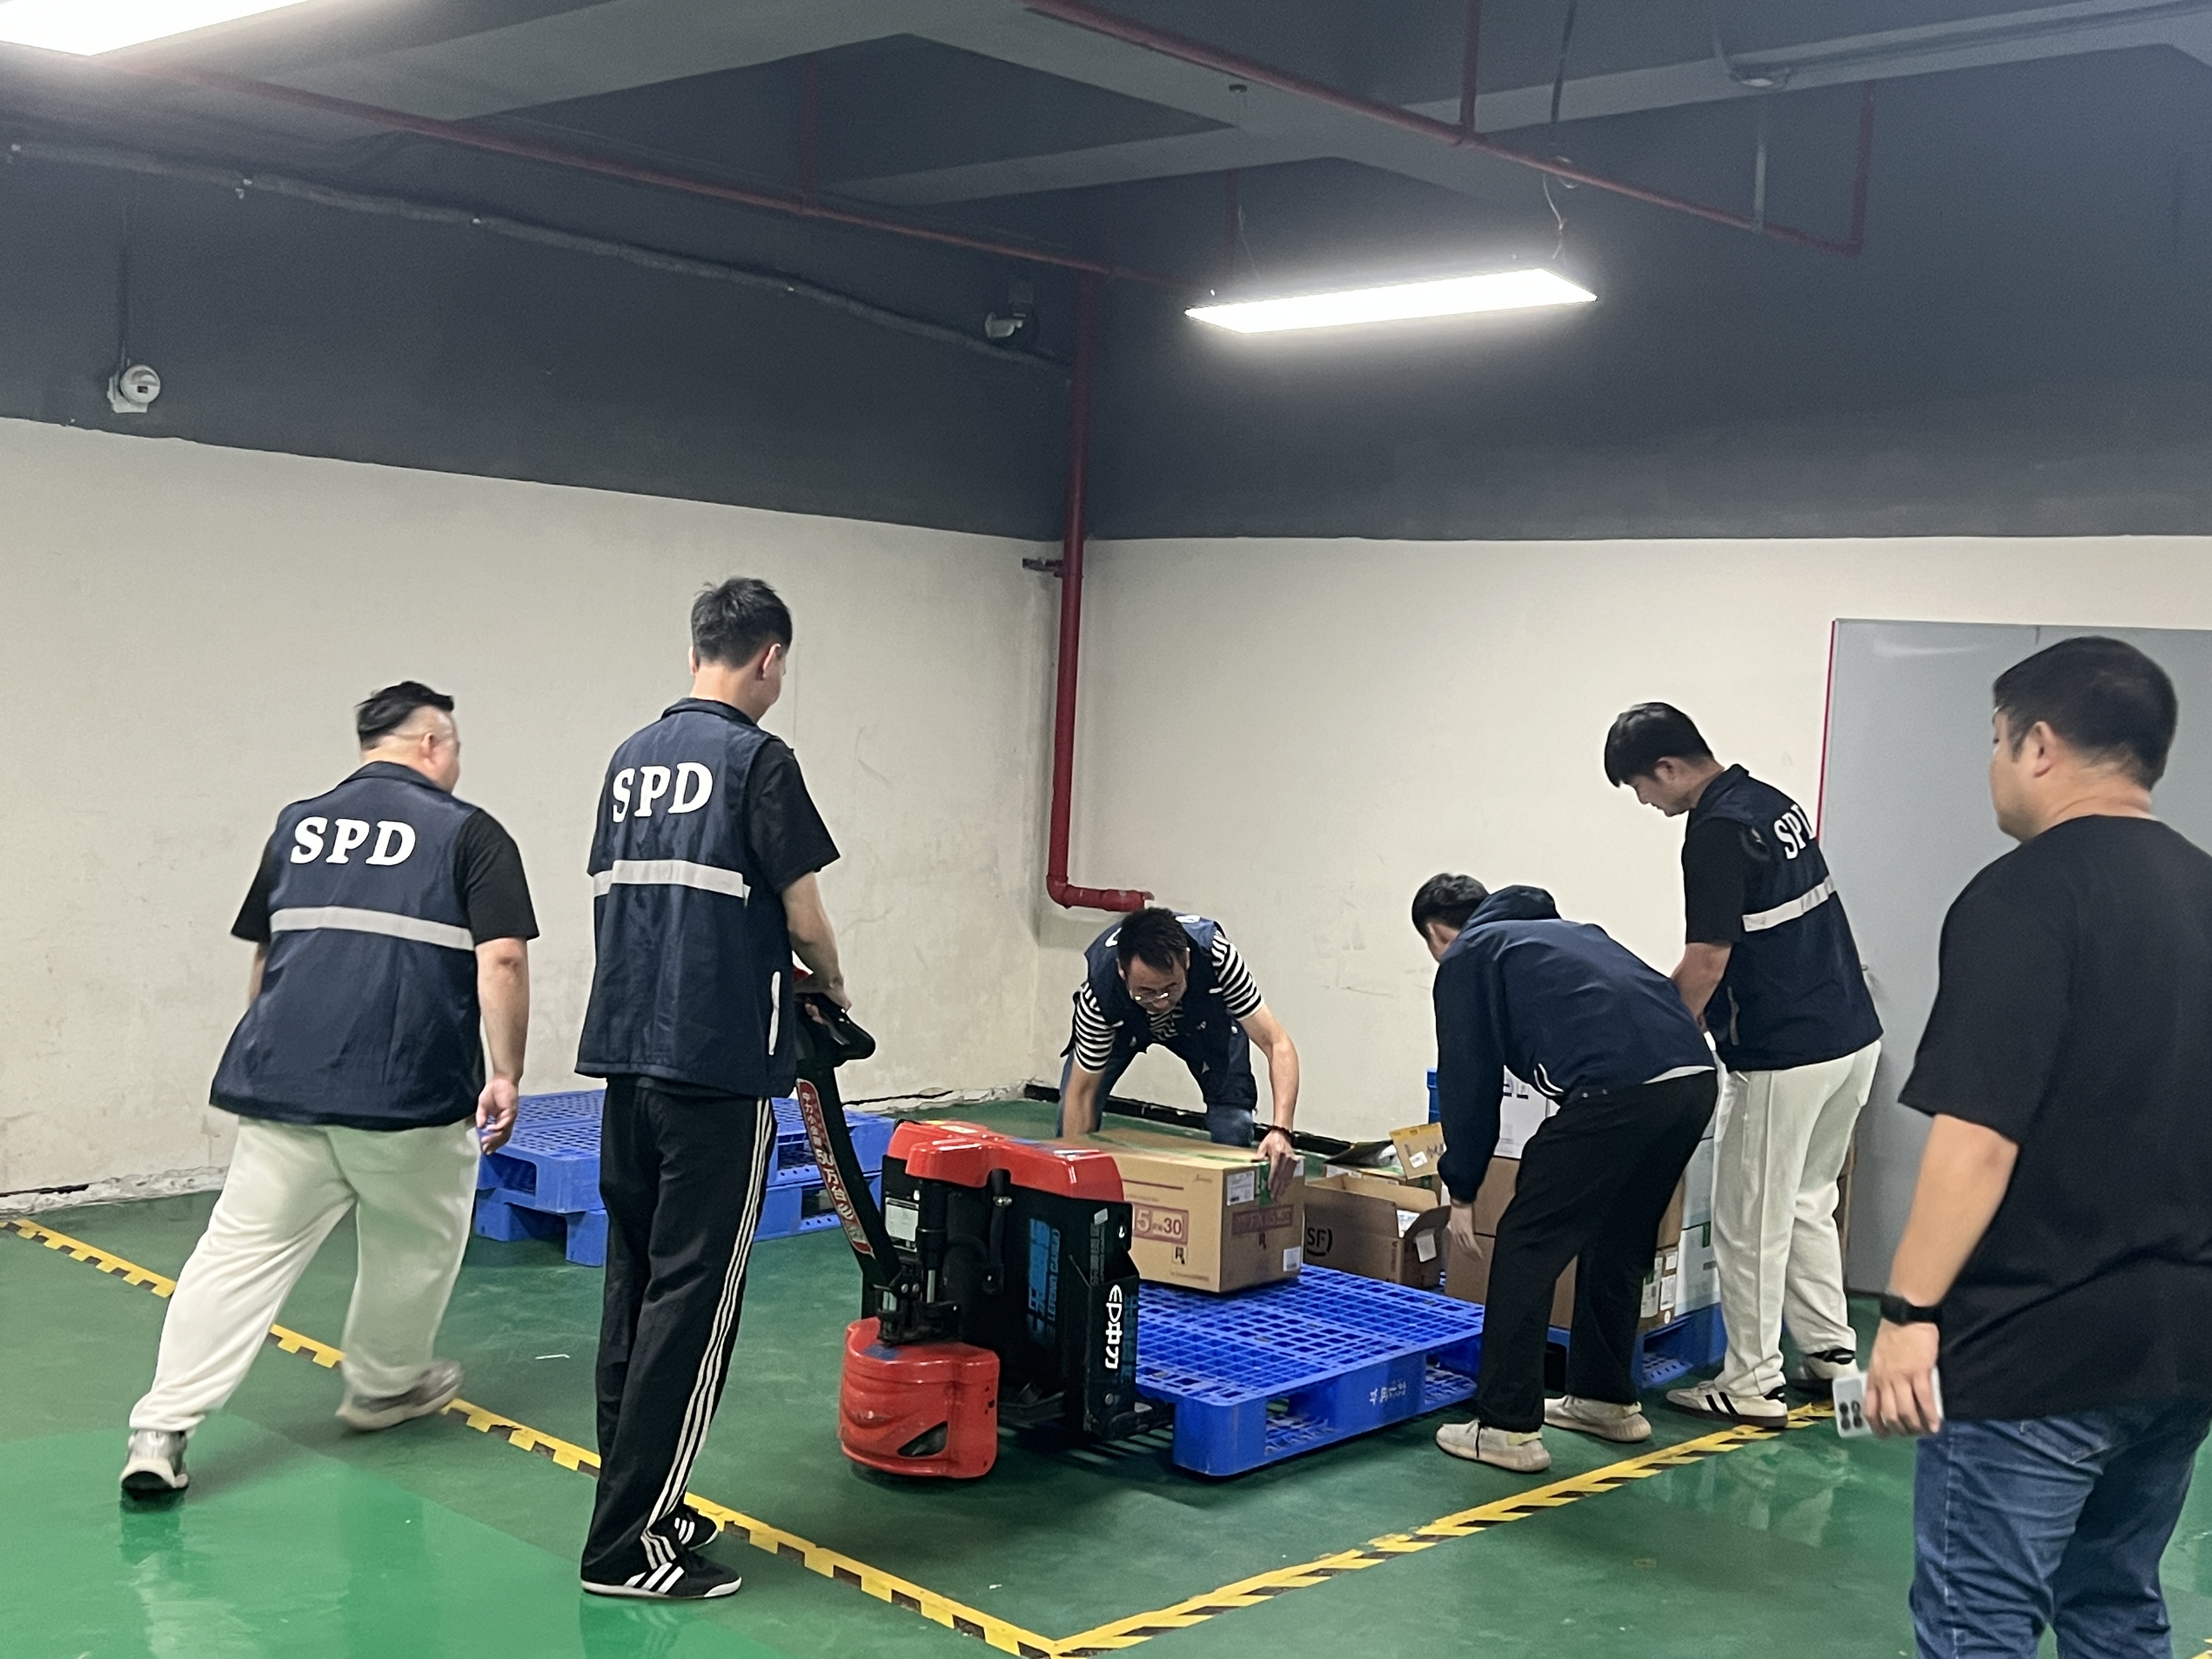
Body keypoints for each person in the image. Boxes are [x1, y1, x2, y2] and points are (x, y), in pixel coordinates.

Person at [1865, 636, 2212, 1659]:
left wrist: (1907, 1315)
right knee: (2114, 1604)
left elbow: (1977, 1138)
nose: (1992, 765)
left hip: (2034, 1346)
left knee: (1979, 1624)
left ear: (2040, 745)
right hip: (2181, 1342)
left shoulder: (2022, 896)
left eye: (1995, 740)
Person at [121, 682, 535, 1497]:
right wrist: (506, 1072)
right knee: (415, 1242)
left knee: (237, 1254)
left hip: (284, 1089)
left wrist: (272, 1057)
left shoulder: (297, 825)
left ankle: (160, 1430)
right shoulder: (470, 833)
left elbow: (266, 955)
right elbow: (505, 958)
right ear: (431, 744)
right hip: (407, 1095)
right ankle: (383, 1387)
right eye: (454, 746)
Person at [574, 577, 847, 1601]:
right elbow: (804, 914)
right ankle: (627, 1546)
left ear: (697, 650)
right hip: (715, 1066)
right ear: (769, 658)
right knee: (693, 1303)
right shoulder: (759, 760)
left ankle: (640, 1501)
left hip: (625, 1058)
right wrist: (833, 983)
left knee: (637, 1288)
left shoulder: (629, 760)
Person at [1604, 703, 1883, 1426]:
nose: (1645, 803)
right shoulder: (1770, 803)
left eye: (1641, 788)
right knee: (1808, 1199)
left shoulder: (1716, 831)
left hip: (1785, 1052)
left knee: (1749, 1220)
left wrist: (1658, 1038)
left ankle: (1752, 1383)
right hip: (1851, 1038)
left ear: (1668, 768)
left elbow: (1706, 961)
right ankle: (1831, 1358)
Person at [1415, 874, 1716, 1474]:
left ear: (1438, 935)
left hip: (1616, 1092)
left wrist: (1463, 1189)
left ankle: (1505, 1427)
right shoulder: (1564, 934)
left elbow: (1469, 1081)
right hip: (1693, 1080)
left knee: (1527, 1242)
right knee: (1621, 1237)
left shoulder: (1469, 957)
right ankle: (1606, 1399)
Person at [1058, 906, 1300, 1192]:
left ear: (1186, 960)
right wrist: (1075, 1180)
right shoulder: (1100, 996)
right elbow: (1082, 1094)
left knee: (1234, 1123)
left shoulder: (1218, 958)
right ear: (1123, 971)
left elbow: (1277, 1043)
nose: (1161, 1002)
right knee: (1071, 1118)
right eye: (1146, 992)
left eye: (1171, 987)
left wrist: (1281, 1130)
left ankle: (1226, 1205)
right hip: (1124, 1026)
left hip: (1201, 1023)